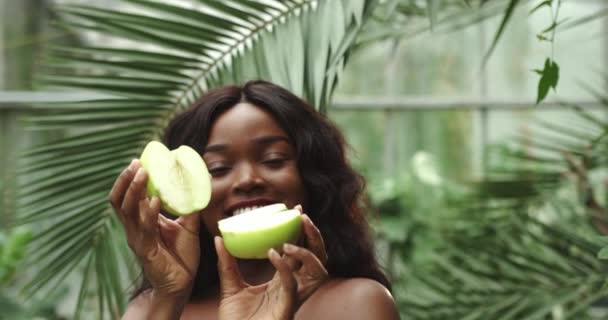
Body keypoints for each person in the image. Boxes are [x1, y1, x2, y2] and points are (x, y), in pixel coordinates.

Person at [109, 80, 400, 319]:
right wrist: (168, 299)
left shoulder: (358, 304)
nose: (247, 179)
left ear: (313, 179)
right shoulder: (152, 309)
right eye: (218, 168)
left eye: (274, 159)